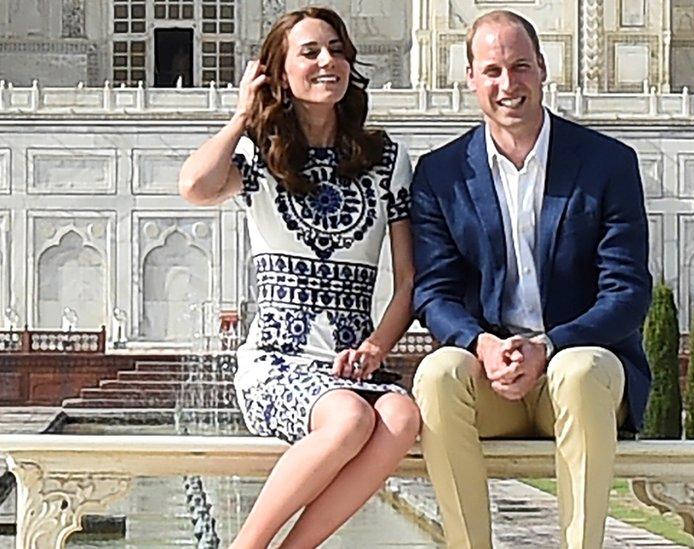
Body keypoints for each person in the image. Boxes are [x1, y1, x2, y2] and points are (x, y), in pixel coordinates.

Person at [410, 10, 653, 549]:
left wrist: (548, 345)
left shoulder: (605, 163)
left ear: (543, 69)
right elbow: (434, 291)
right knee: (437, 375)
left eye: (520, 67)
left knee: (580, 369)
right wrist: (482, 344)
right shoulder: (442, 175)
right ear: (470, 78)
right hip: (491, 376)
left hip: (576, 373)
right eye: (492, 70)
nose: (507, 84)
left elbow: (628, 292)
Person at [178, 7, 419, 548]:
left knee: (402, 417)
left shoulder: (385, 159)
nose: (326, 61)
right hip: (279, 363)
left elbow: (408, 283)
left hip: (353, 363)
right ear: (279, 72)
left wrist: (378, 347)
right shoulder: (263, 154)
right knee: (349, 419)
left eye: (335, 49)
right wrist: (243, 114)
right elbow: (194, 185)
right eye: (309, 52)